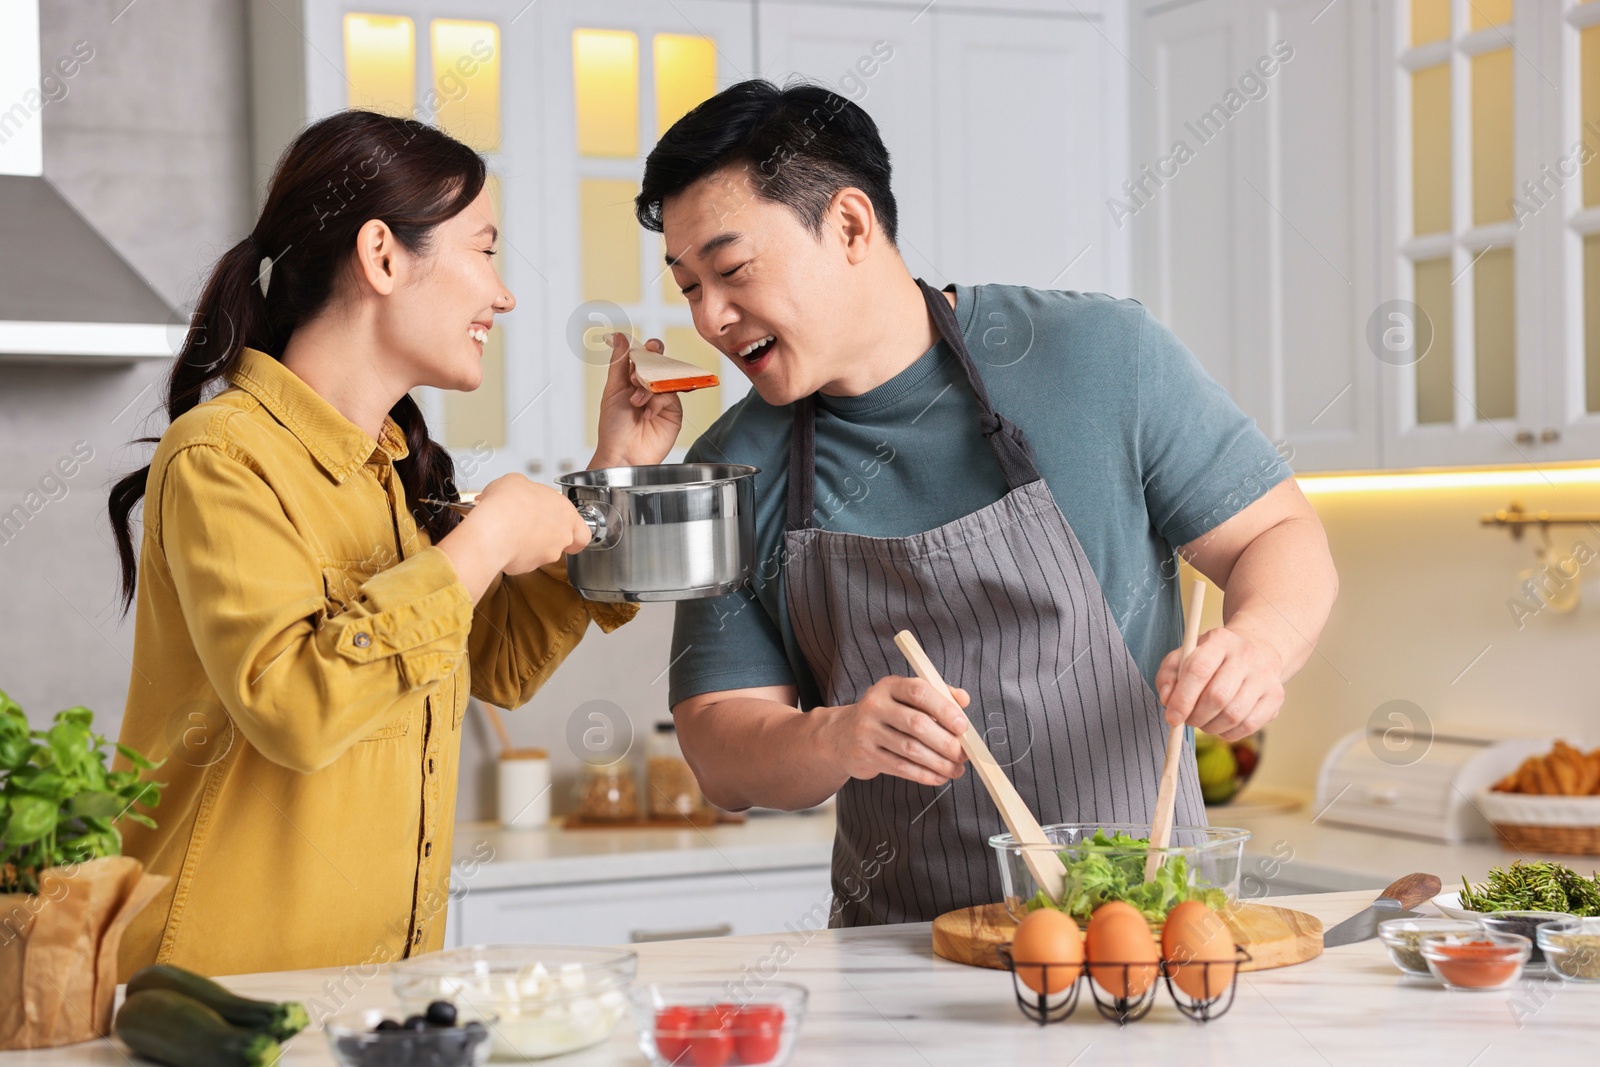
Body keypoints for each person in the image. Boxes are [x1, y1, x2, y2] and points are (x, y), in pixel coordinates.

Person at [640, 80, 1339, 926]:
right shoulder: (729, 467)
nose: (710, 317)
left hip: (1145, 936)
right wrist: (832, 738)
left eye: (731, 269)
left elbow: (1276, 531)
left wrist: (1258, 645)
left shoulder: (1098, 357)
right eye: (688, 287)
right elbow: (719, 743)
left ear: (851, 225)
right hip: (900, 960)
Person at [106, 110, 681, 976]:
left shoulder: (391, 477)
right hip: (223, 999)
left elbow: (502, 661)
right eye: (484, 250)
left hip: (373, 994)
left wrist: (611, 476)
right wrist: (485, 540)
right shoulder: (222, 456)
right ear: (381, 256)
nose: (504, 292)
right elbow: (296, 707)